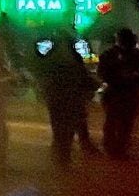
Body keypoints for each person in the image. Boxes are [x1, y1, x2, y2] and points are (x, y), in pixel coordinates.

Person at [33, 37, 95, 169]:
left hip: (60, 99)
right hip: (68, 99)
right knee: (65, 128)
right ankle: (63, 156)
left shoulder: (51, 60)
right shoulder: (73, 61)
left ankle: (61, 155)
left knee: (61, 128)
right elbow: (84, 78)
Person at [96, 28, 139, 159]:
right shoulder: (114, 54)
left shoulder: (132, 54)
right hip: (118, 92)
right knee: (117, 122)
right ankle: (115, 148)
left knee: (121, 122)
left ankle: (117, 148)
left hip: (124, 92)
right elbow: (103, 73)